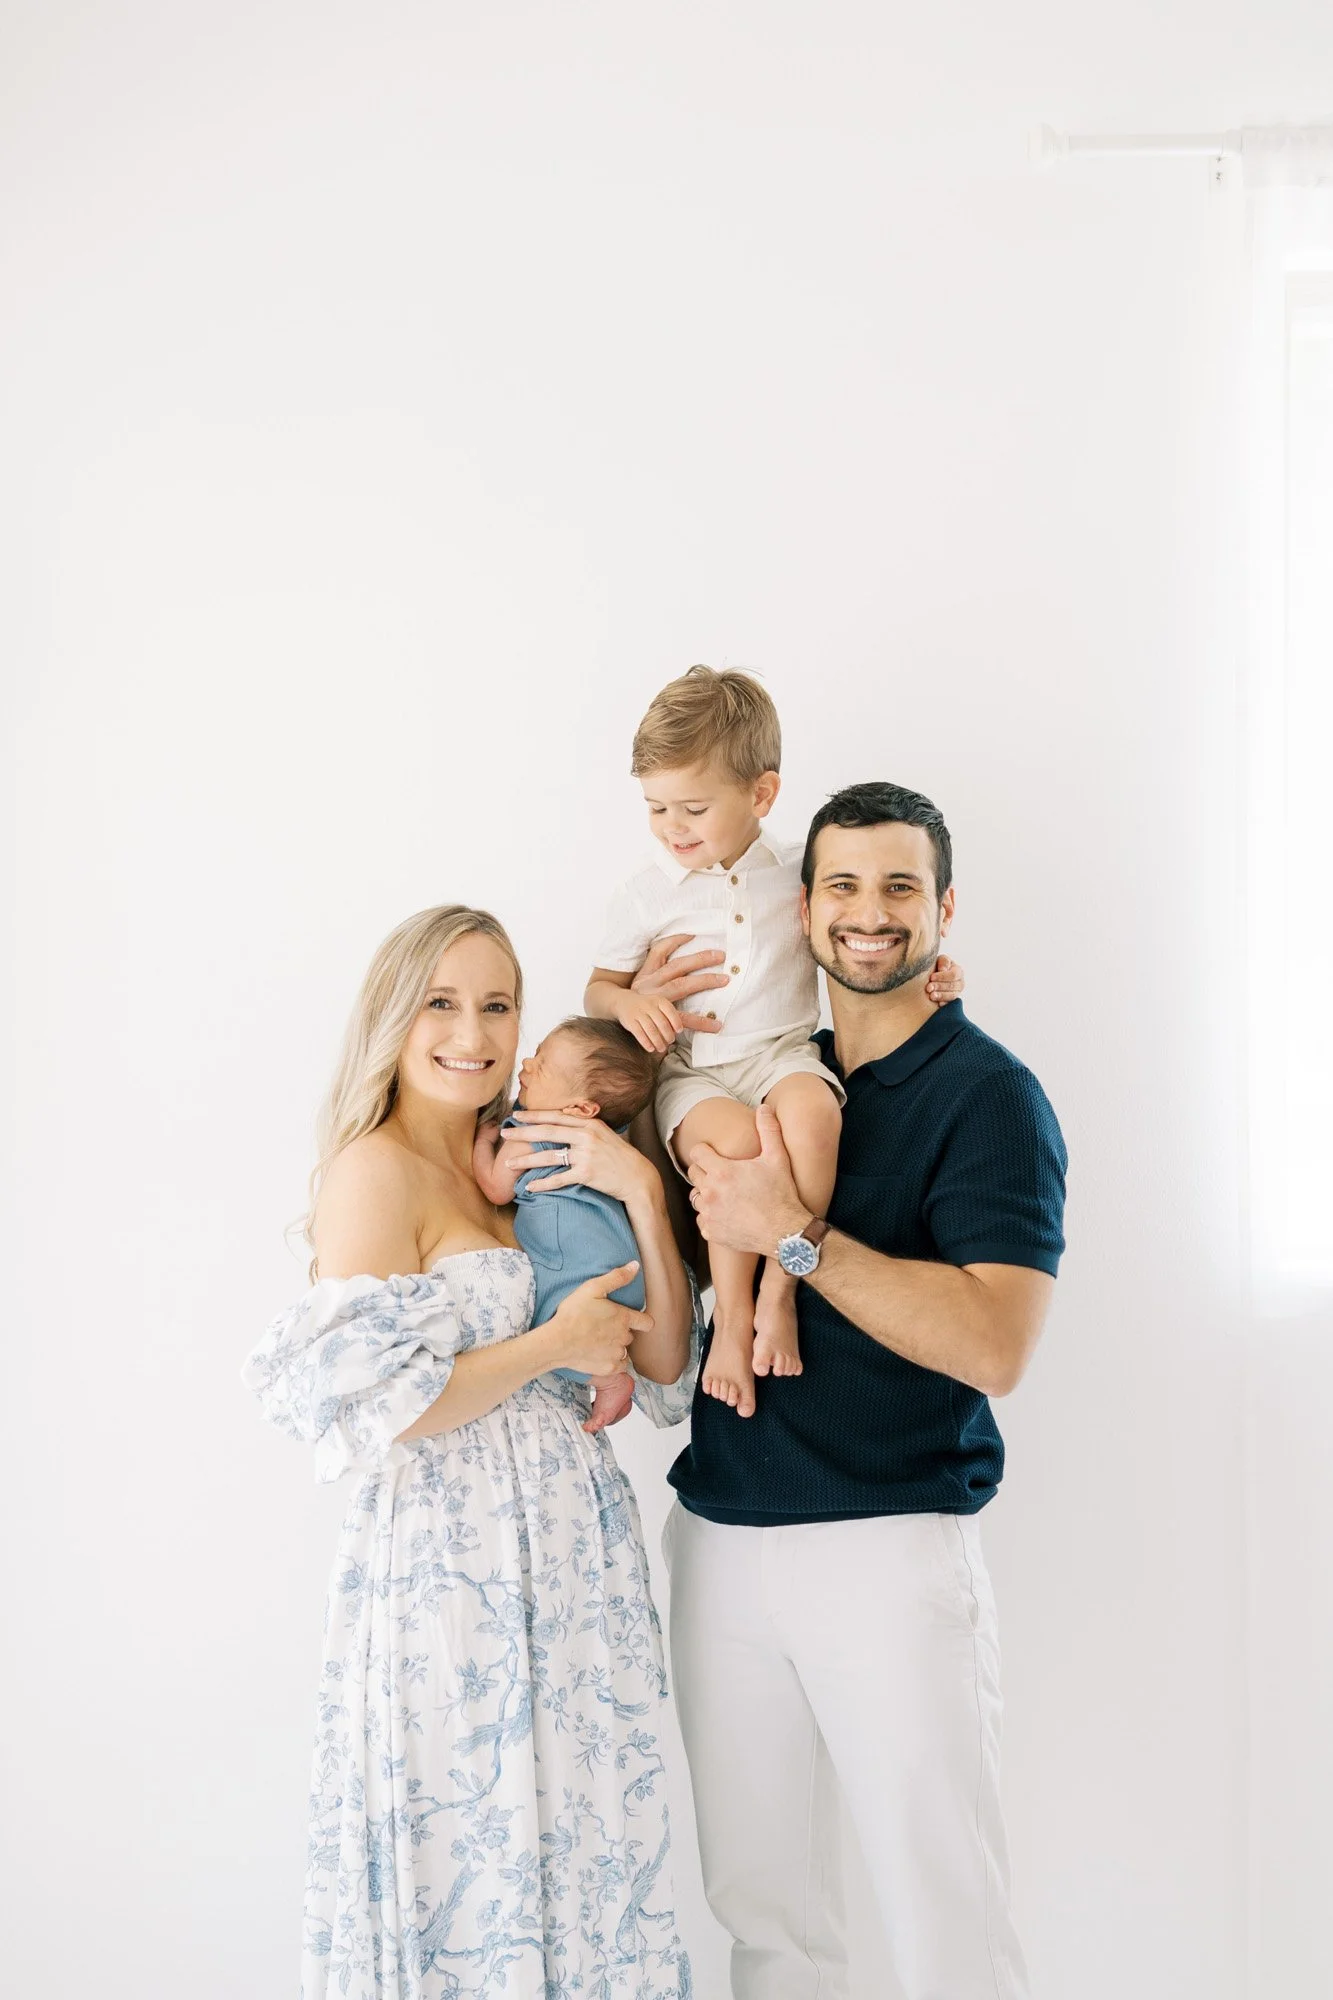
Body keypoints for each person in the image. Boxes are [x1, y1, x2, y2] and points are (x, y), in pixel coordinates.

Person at [242, 905, 699, 2000]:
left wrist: (640, 1186)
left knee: (583, 1852)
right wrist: (553, 1343)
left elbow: (670, 1365)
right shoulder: (376, 1170)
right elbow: (373, 1404)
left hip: (574, 1563)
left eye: (498, 1003)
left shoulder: (543, 1149)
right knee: (472, 1861)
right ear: (395, 1016)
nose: (475, 1030)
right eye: (443, 1001)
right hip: (451, 1573)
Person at [664, 783, 1068, 2000]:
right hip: (721, 1538)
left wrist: (797, 1238)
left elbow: (994, 1343)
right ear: (803, 908)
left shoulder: (988, 1093)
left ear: (944, 910)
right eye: (842, 884)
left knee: (939, 1908)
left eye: (900, 886)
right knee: (767, 1916)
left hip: (888, 1545)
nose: (869, 914)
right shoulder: (771, 1071)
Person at [585, 665, 962, 1416]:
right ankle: (730, 1314)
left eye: (692, 807)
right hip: (694, 1071)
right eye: (656, 807)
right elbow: (598, 988)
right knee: (736, 1152)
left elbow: (852, 935)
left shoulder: (797, 870)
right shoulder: (645, 893)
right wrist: (630, 1001)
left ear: (760, 795)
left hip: (782, 1052)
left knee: (817, 1119)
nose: (672, 828)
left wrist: (934, 969)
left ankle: (779, 1290)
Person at [473, 1013, 661, 1432]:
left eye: (540, 1065)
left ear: (579, 1107)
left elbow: (494, 1188)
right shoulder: (607, 1134)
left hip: (572, 1264)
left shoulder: (528, 1128)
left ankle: (611, 1379)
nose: (526, 1064)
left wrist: (484, 1138)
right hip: (621, 1264)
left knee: (537, 1323)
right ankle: (610, 1377)